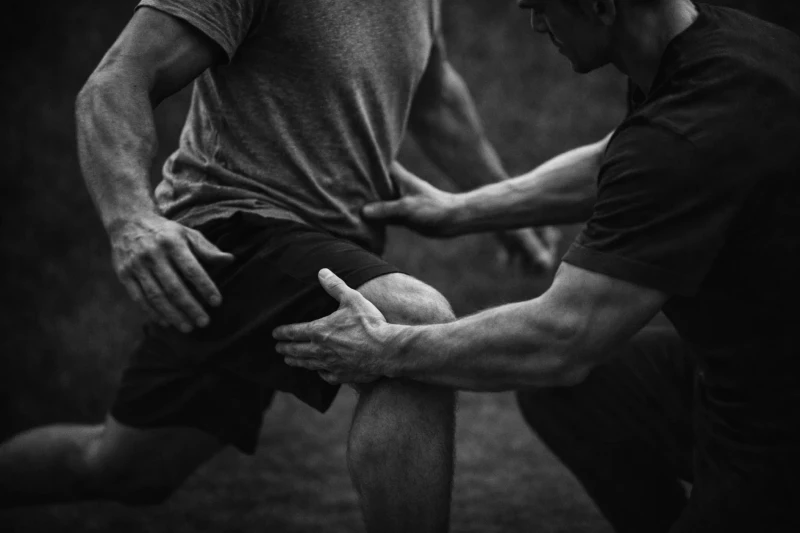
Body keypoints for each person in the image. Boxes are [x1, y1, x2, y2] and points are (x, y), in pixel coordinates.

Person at [0, 0, 560, 530]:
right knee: (408, 322)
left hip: (318, 248)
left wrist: (499, 207)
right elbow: (117, 78)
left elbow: (436, 101)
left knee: (124, 468)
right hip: (233, 231)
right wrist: (130, 220)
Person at [273, 1, 800, 531]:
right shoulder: (734, 50)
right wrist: (459, 211)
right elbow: (612, 158)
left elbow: (562, 337)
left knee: (559, 373)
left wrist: (384, 349)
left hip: (771, 423)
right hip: (742, 371)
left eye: (541, 5)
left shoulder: (684, 137)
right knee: (575, 393)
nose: (535, 23)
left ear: (602, 5)